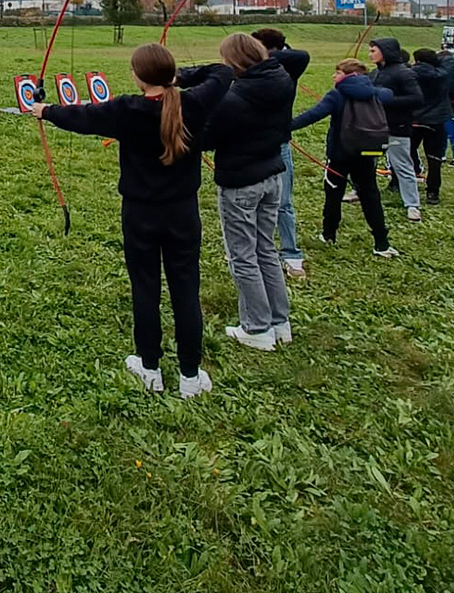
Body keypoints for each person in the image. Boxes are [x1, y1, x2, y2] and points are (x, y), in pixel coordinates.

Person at [33, 43, 233, 398]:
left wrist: (44, 110)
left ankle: (150, 367)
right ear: (169, 74)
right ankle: (190, 375)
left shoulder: (127, 109)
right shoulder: (194, 102)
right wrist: (179, 77)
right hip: (182, 212)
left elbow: (80, 116)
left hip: (141, 213)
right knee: (185, 288)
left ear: (138, 77)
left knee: (145, 287)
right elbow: (223, 72)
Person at [186, 33, 294, 353]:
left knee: (243, 256)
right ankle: (279, 323)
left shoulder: (235, 98)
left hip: (242, 184)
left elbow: (205, 139)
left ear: (234, 62)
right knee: (266, 251)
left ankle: (257, 328)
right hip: (272, 176)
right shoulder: (280, 79)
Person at [290, 59, 398, 256]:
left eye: (337, 72)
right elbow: (389, 95)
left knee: (333, 194)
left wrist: (285, 127)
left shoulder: (337, 95)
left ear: (348, 75)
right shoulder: (375, 92)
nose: (334, 76)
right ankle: (381, 243)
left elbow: (314, 114)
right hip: (368, 152)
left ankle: (328, 235)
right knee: (370, 195)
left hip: (340, 153)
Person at [251, 28, 310, 279]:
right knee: (251, 202)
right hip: (250, 144)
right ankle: (253, 250)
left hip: (279, 144)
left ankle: (291, 254)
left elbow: (301, 55)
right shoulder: (250, 71)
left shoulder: (287, 68)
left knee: (283, 203)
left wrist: (261, 57)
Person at [368, 38, 423, 222]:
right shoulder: (375, 73)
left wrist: (387, 100)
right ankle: (361, 191)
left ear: (386, 51)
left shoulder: (404, 73)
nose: (370, 54)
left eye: (374, 50)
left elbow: (416, 98)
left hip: (396, 128)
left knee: (402, 165)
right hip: (374, 128)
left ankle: (412, 205)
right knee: (368, 160)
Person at [409, 49, 451, 205]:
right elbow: (449, 59)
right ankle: (433, 192)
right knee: (434, 159)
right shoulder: (443, 74)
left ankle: (400, 182)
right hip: (436, 121)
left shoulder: (411, 73)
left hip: (415, 119)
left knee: (406, 153)